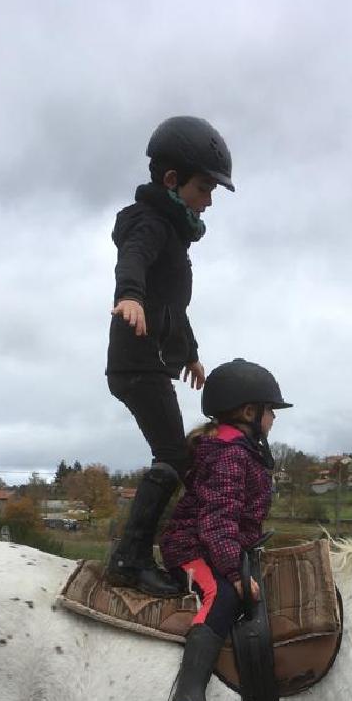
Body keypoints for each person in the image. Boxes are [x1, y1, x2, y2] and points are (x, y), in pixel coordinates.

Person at [106, 115, 235, 596]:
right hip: (135, 364)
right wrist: (130, 295)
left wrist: (191, 355)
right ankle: (131, 559)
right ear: (171, 181)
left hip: (151, 362)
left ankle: (138, 553)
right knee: (173, 455)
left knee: (173, 454)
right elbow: (133, 257)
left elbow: (174, 309)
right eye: (205, 187)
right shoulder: (150, 222)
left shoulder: (175, 234)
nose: (210, 199)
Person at [160, 359, 292, 701]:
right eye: (270, 411)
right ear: (249, 412)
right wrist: (234, 574)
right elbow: (218, 520)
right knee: (224, 596)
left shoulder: (241, 451)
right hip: (191, 548)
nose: (274, 418)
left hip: (216, 543)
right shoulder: (231, 455)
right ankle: (188, 694)